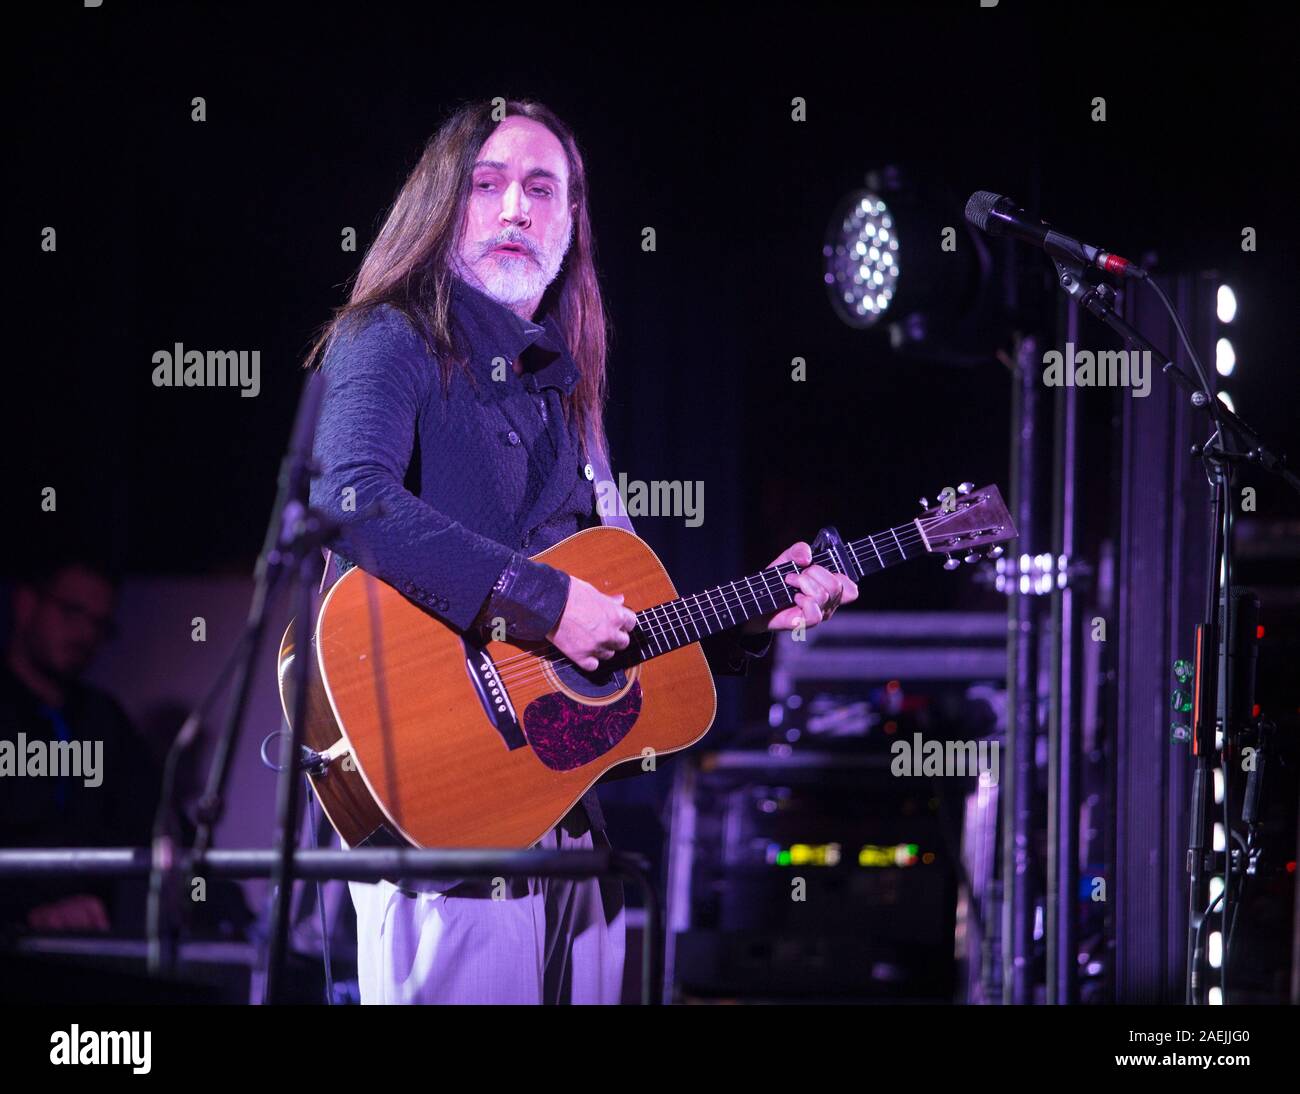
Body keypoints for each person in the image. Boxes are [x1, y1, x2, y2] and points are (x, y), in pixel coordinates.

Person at [307, 99, 858, 1004]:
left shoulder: (567, 398)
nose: (516, 209)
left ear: (571, 225)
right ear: (442, 207)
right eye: (486, 187)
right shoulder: (393, 335)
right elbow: (348, 497)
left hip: (569, 829)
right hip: (450, 823)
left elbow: (626, 636)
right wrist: (544, 603)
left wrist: (747, 620)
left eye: (541, 189)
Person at [0, 558, 155, 934]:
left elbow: (151, 821)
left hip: (91, 949)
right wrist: (28, 913)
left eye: (100, 624)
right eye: (72, 612)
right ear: (24, 603)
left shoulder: (104, 719)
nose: (85, 634)